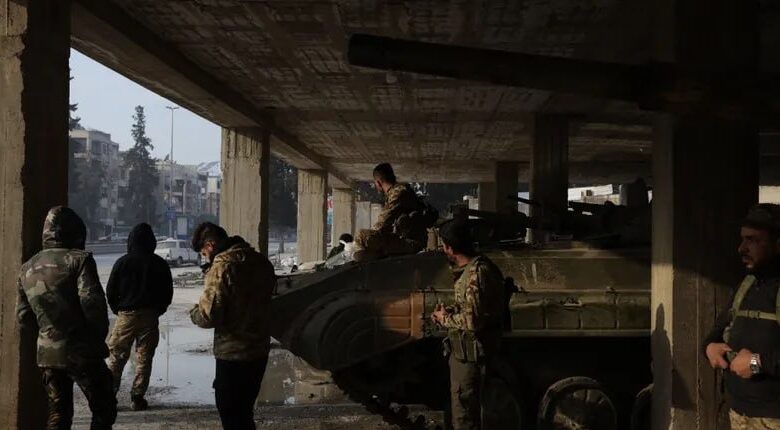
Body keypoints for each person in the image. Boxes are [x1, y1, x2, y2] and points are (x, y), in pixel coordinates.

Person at [16, 206, 117, 429]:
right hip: (81, 351)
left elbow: (23, 316)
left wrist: (47, 334)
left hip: (47, 354)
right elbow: (92, 304)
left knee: (58, 413)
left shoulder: (27, 267)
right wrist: (96, 339)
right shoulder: (79, 260)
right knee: (104, 407)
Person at [189, 222, 276, 430]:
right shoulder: (260, 261)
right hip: (259, 350)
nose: (205, 258)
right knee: (245, 413)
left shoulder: (222, 266)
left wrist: (194, 312)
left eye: (204, 253)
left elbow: (209, 315)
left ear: (210, 245)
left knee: (231, 415)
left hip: (233, 354)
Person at [704, 203, 780, 429]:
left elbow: (762, 362)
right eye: (742, 239)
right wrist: (710, 348)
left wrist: (756, 363)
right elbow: (715, 333)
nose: (741, 248)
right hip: (739, 414)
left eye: (753, 240)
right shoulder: (747, 286)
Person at [430, 219, 505, 430]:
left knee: (465, 417)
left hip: (472, 355)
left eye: (443, 245)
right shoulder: (474, 269)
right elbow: (472, 307)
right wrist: (451, 311)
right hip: (467, 352)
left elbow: (473, 321)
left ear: (450, 247)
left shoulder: (476, 272)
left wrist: (444, 319)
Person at [105, 223, 173, 411]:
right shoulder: (159, 264)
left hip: (125, 316)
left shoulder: (122, 262)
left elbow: (110, 291)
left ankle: (109, 397)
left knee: (116, 357)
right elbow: (167, 292)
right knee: (144, 358)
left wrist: (118, 310)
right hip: (150, 315)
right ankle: (137, 397)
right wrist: (158, 310)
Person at [355, 163, 430, 258]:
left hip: (411, 242)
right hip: (409, 240)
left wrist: (369, 236)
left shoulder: (398, 192)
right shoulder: (399, 191)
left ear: (378, 182)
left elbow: (382, 223)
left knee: (361, 236)